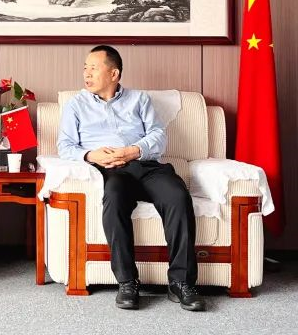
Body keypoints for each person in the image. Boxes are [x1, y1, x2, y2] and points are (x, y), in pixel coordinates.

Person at [57, 45, 206, 312]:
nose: (86, 73)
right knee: (114, 197)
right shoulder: (76, 105)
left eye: (93, 68)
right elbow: (65, 146)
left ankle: (181, 282)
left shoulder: (139, 99)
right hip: (111, 170)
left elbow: (158, 135)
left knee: (177, 195)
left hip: (145, 165)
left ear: (113, 74)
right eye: (85, 68)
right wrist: (91, 155)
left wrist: (133, 150)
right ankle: (127, 282)